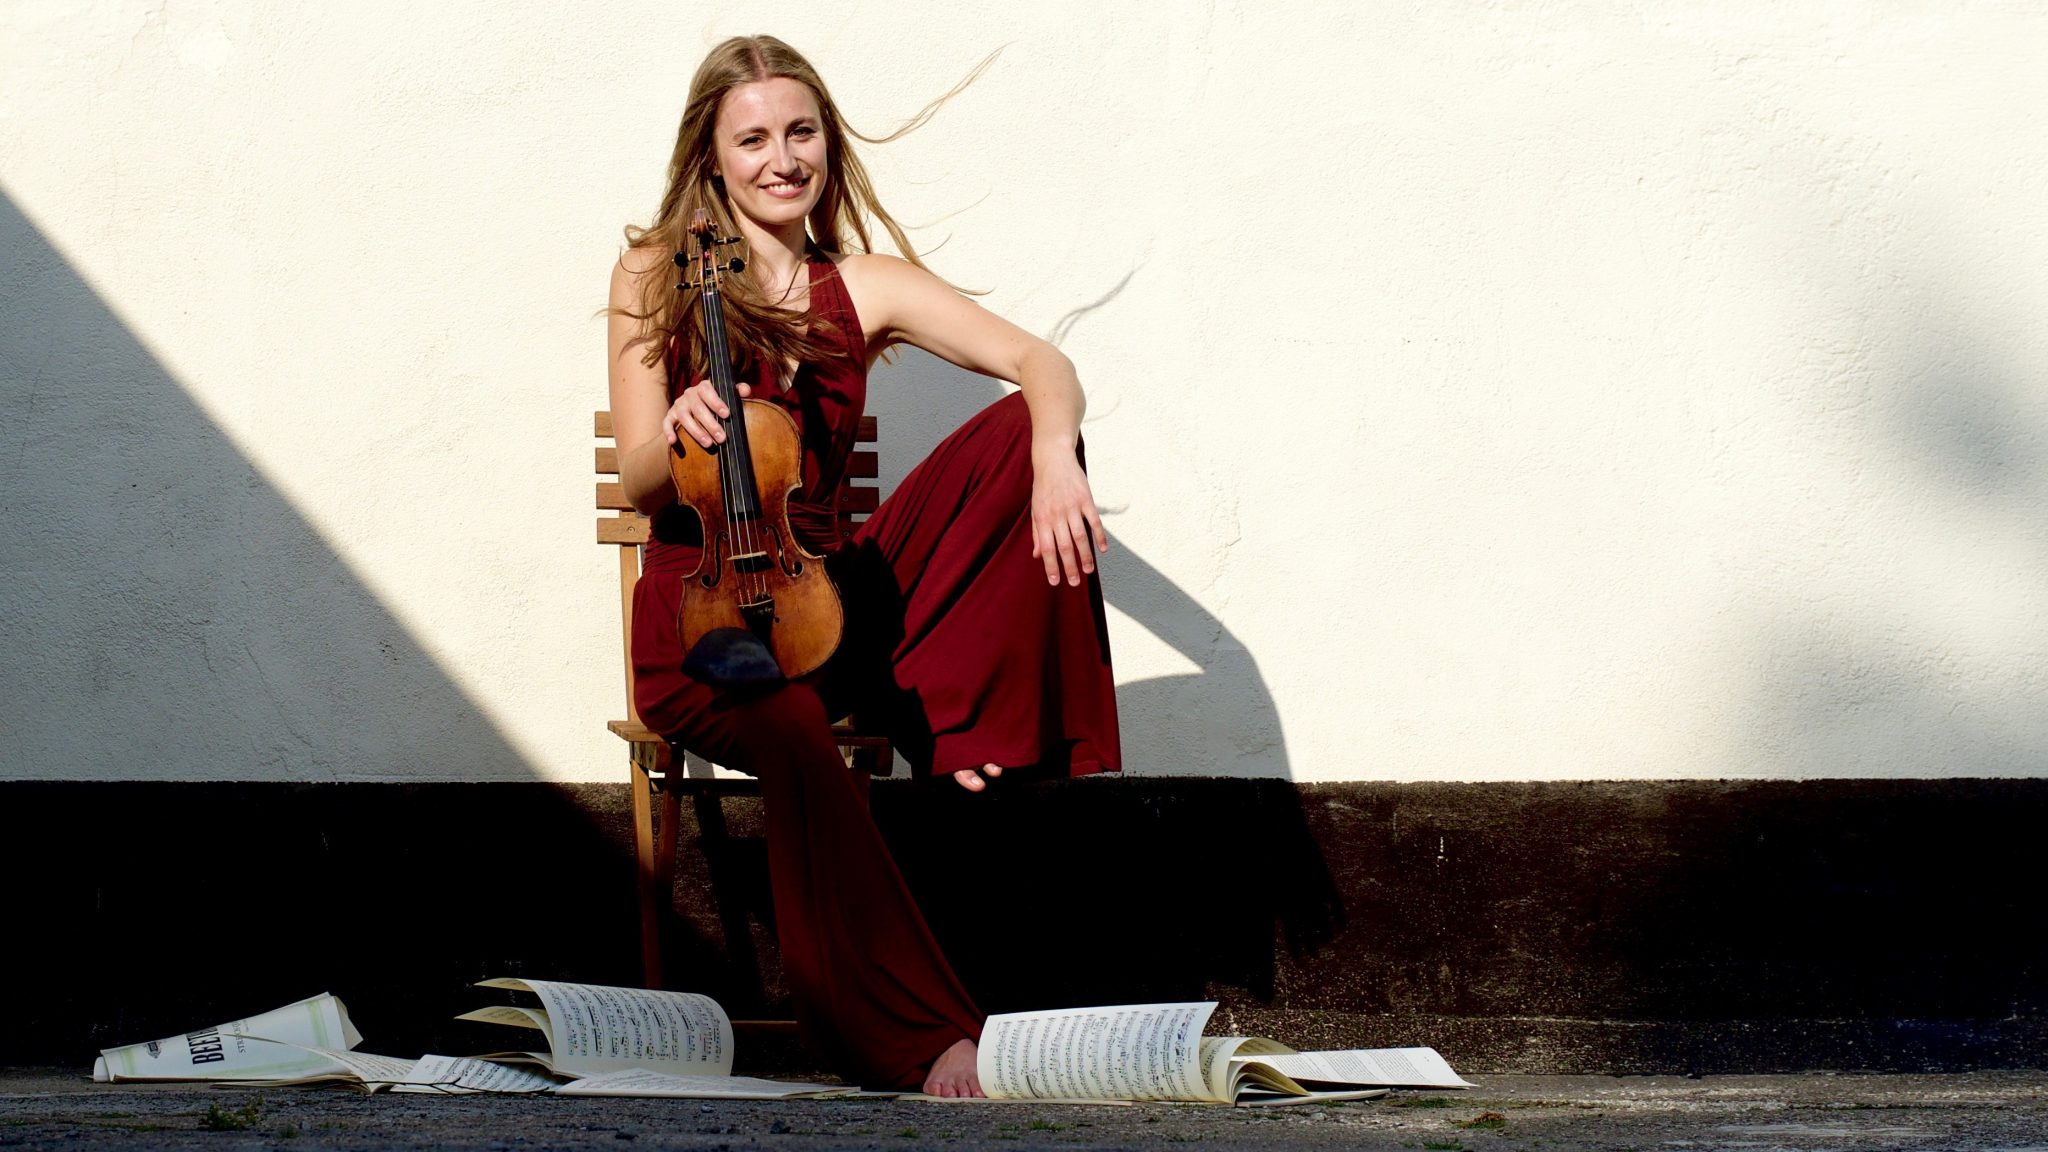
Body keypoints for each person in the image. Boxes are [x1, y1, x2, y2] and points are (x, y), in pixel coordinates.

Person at [602, 36, 1121, 1097]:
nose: (779, 158)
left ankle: (968, 715)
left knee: (1015, 430)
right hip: (704, 634)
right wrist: (685, 430)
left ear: (826, 146)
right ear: (712, 151)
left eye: (799, 133)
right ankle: (921, 1036)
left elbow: (1043, 362)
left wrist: (1053, 455)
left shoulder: (864, 287)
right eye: (752, 138)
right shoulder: (655, 270)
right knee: (790, 729)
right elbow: (650, 475)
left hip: (824, 612)